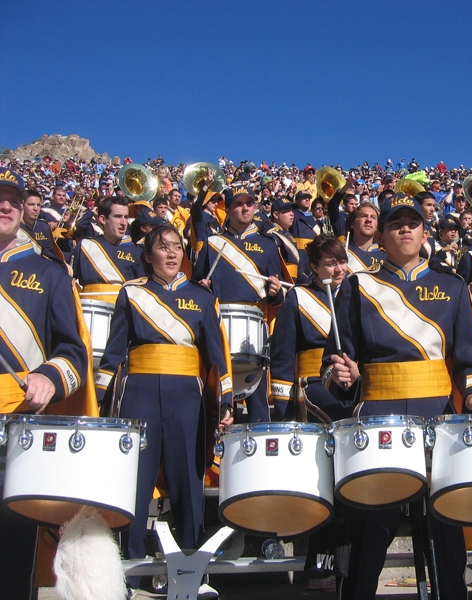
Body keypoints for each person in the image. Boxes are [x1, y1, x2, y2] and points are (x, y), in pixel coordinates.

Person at [321, 192, 472, 600]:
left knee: (445, 527)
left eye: (412, 223)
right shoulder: (359, 285)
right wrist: (341, 375)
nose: (405, 229)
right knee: (370, 527)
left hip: (440, 414)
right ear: (380, 235)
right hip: (377, 415)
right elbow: (333, 361)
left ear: (424, 231)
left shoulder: (451, 287)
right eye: (395, 223)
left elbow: (471, 358)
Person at [96, 225, 233, 595]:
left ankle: (193, 571)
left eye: (177, 247)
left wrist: (224, 400)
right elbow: (113, 352)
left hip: (186, 395)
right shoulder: (131, 292)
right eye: (163, 247)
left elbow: (215, 356)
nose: (172, 254)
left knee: (187, 482)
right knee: (135, 483)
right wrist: (100, 400)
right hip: (137, 392)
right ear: (148, 254)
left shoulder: (202, 297)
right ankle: (129, 574)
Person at [0, 168, 93, 598]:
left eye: (13, 201)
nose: (4, 205)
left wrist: (48, 378)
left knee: (10, 555)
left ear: (23, 213)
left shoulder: (49, 272)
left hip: (14, 423)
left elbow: (74, 354)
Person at [193, 184, 284, 423]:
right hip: (218, 324)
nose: (245, 208)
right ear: (229, 209)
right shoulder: (213, 243)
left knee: (258, 403)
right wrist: (201, 287)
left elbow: (279, 295)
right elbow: (195, 285)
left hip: (254, 327)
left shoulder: (269, 244)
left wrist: (275, 293)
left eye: (249, 203)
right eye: (238, 204)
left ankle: (261, 452)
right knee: (218, 398)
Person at [270, 235, 352, 422]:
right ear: (314, 267)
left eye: (342, 262)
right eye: (331, 264)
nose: (339, 269)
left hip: (351, 382)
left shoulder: (357, 296)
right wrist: (284, 406)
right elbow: (283, 356)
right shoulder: (297, 297)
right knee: (343, 419)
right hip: (312, 383)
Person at [73, 195, 144, 303]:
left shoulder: (137, 252)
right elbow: (70, 282)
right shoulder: (85, 246)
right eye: (117, 216)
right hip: (88, 311)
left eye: (126, 217)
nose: (123, 223)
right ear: (103, 219)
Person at [342, 201, 384, 273]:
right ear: (352, 224)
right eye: (363, 216)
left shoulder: (386, 256)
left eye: (373, 217)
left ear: (377, 226)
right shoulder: (341, 253)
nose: (369, 220)